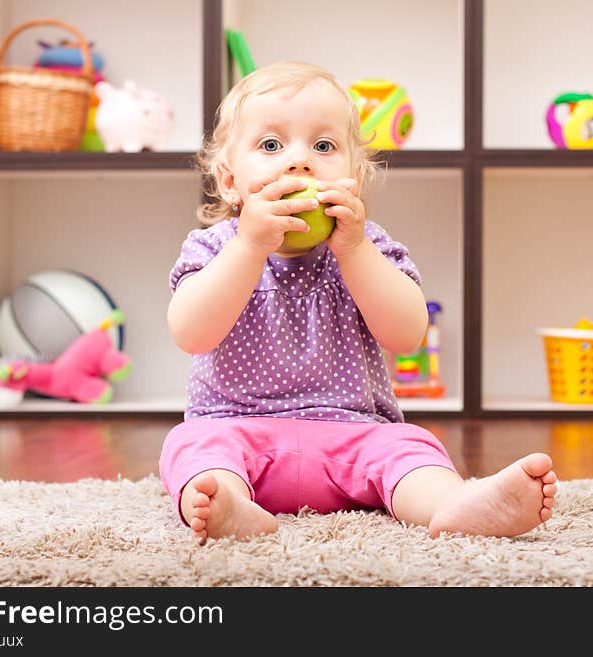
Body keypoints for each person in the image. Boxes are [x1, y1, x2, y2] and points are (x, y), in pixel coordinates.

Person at [160, 61, 557, 544]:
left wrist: (354, 251)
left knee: (409, 448)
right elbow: (191, 332)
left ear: (355, 177)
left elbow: (407, 335)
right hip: (237, 431)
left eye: (323, 146)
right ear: (229, 181)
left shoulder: (368, 246)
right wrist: (248, 246)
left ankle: (453, 505)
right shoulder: (214, 247)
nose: (300, 161)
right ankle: (229, 507)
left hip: (353, 434)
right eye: (271, 145)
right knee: (190, 448)